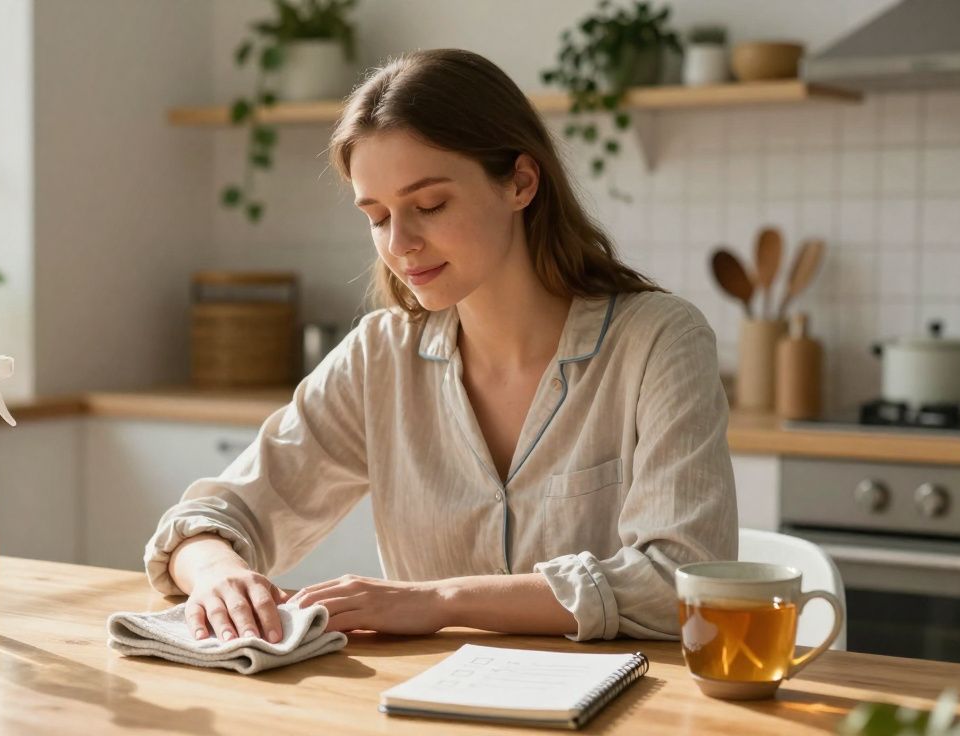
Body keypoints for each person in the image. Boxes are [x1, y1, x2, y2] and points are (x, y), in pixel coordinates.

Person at [144, 48, 736, 646]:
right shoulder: (380, 357)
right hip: (428, 705)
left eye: (430, 205)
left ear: (521, 183)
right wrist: (218, 573)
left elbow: (679, 582)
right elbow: (207, 521)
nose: (400, 243)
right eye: (377, 216)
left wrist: (437, 600)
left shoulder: (659, 341)